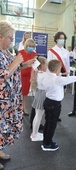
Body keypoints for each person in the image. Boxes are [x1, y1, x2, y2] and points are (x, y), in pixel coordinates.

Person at [0, 20, 35, 169]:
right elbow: (3, 74)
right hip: (2, 99)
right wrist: (16, 61)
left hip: (9, 99)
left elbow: (11, 69)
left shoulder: (6, 51)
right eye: (10, 38)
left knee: (3, 128)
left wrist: (22, 65)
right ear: (1, 36)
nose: (11, 41)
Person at [41, 60, 76, 151]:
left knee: (48, 122)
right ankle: (47, 144)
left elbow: (59, 77)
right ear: (57, 70)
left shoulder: (47, 76)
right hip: (54, 104)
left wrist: (62, 74)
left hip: (47, 102)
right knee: (52, 124)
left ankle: (46, 141)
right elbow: (69, 79)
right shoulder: (58, 79)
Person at [30, 56, 48, 141]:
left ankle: (34, 133)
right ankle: (34, 135)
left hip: (38, 94)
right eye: (46, 64)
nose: (47, 66)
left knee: (37, 116)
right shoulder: (43, 75)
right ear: (42, 65)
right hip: (42, 95)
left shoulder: (38, 73)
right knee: (38, 116)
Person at [19, 38, 36, 115]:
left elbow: (34, 66)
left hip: (28, 75)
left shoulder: (33, 53)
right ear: (26, 45)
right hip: (20, 75)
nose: (31, 48)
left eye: (32, 46)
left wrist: (33, 77)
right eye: (29, 46)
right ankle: (18, 108)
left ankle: (24, 108)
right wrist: (26, 63)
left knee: (25, 93)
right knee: (19, 93)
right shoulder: (20, 53)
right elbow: (18, 65)